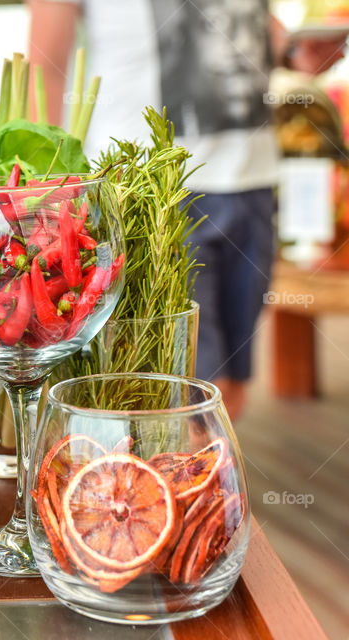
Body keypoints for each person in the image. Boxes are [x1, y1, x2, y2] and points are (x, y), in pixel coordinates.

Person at [29, 0, 345, 418]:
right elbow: (45, 68)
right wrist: (48, 190)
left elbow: (250, 26)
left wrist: (294, 51)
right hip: (150, 189)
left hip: (251, 179)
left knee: (229, 387)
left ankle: (198, 481)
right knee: (187, 392)